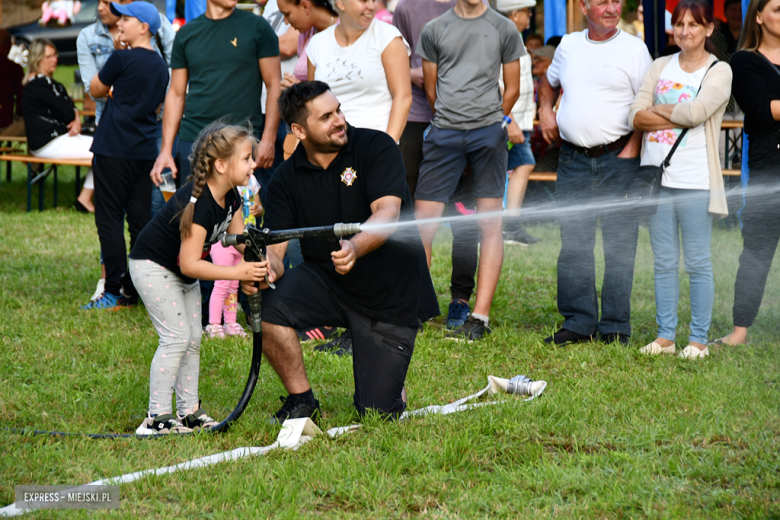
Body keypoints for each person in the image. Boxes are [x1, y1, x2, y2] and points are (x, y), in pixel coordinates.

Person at [244, 81, 439, 423]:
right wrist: (268, 269)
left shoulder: (375, 146)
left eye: (338, 110)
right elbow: (276, 248)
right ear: (299, 131)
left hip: (389, 293)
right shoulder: (286, 179)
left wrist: (355, 245)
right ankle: (301, 399)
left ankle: (389, 382)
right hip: (328, 282)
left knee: (377, 413)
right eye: (326, 117)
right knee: (270, 306)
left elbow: (388, 213)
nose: (339, 120)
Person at [130, 123, 268, 435]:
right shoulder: (201, 204)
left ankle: (189, 412)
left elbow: (236, 238)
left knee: (193, 339)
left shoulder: (231, 196)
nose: (254, 165)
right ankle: (156, 417)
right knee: (176, 338)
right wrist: (237, 273)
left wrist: (258, 257)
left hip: (180, 271)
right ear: (221, 165)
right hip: (153, 266)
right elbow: (191, 263)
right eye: (247, 158)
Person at [538, 0, 652, 347]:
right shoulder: (570, 45)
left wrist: (631, 149)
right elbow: (548, 81)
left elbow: (645, 103)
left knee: (619, 243)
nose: (611, 7)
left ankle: (616, 325)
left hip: (618, 157)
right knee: (574, 242)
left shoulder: (635, 49)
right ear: (585, 6)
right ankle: (579, 321)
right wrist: (545, 110)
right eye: (602, 1)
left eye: (616, 0)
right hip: (572, 158)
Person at [414, 0, 524, 341]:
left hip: (489, 135)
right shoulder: (434, 29)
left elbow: (514, 88)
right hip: (443, 134)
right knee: (423, 225)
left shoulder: (505, 28)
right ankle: (415, 311)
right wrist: (451, 123)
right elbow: (432, 90)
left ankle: (480, 317)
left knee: (490, 224)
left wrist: (492, 124)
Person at [629, 0, 731, 359]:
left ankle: (699, 340)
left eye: (693, 24)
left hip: (696, 180)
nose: (685, 31)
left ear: (708, 29)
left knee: (698, 262)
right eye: (679, 24)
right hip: (657, 180)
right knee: (664, 261)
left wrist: (655, 110)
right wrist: (672, 115)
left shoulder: (719, 71)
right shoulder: (660, 65)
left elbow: (699, 111)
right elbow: (634, 117)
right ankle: (665, 337)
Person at [393, 0, 479, 331]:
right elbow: (395, 60)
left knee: (465, 217)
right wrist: (419, 74)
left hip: (463, 124)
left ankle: (460, 298)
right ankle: (415, 298)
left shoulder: (477, 5)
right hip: (415, 120)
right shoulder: (407, 8)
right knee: (411, 216)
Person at [82, 1, 169, 310]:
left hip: (112, 148)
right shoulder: (160, 65)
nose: (120, 23)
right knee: (140, 221)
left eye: (126, 19)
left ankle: (114, 290)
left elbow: (94, 89)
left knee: (109, 219)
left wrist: (115, 64)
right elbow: (158, 106)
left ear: (143, 27)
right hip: (144, 150)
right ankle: (138, 289)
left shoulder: (120, 58)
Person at [150, 0, 282, 186]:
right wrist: (165, 150)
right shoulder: (187, 33)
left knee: (245, 213)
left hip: (241, 142)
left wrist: (268, 139)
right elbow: (176, 93)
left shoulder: (258, 27)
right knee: (193, 213)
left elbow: (274, 84)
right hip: (194, 140)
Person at [715, 0, 780, 347]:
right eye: (778, 9)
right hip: (769, 174)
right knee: (756, 252)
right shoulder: (743, 62)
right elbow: (761, 110)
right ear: (758, 16)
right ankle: (739, 330)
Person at [306, 0, 412, 142]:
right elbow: (313, 102)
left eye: (374, 0)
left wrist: (388, 147)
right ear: (340, 3)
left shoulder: (387, 37)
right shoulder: (317, 44)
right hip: (329, 148)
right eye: (363, 0)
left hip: (373, 145)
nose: (372, 6)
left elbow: (403, 97)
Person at [498, 0, 541, 246]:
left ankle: (510, 227)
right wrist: (508, 121)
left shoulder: (514, 39)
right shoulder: (502, 40)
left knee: (522, 164)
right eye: (526, 11)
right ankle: (504, 228)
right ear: (514, 14)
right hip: (506, 123)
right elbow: (496, 85)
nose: (529, 16)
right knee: (522, 163)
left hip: (518, 121)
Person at [205, 174, 262, 339]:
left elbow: (259, 207)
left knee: (234, 285)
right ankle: (214, 324)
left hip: (245, 240)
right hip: (224, 240)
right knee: (222, 282)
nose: (251, 165)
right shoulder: (225, 182)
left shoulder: (251, 180)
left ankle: (230, 323)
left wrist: (257, 209)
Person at [22, 40, 93, 163]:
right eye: (48, 57)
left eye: (55, 55)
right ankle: (93, 183)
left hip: (58, 139)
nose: (54, 59)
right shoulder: (38, 85)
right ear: (37, 60)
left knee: (106, 150)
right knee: (104, 150)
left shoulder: (53, 84)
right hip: (47, 143)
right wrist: (75, 116)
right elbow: (67, 112)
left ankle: (91, 183)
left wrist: (76, 117)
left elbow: (70, 106)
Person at [0, 29, 25, 137]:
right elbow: (21, 103)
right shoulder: (14, 68)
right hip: (4, 125)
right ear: (8, 46)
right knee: (32, 124)